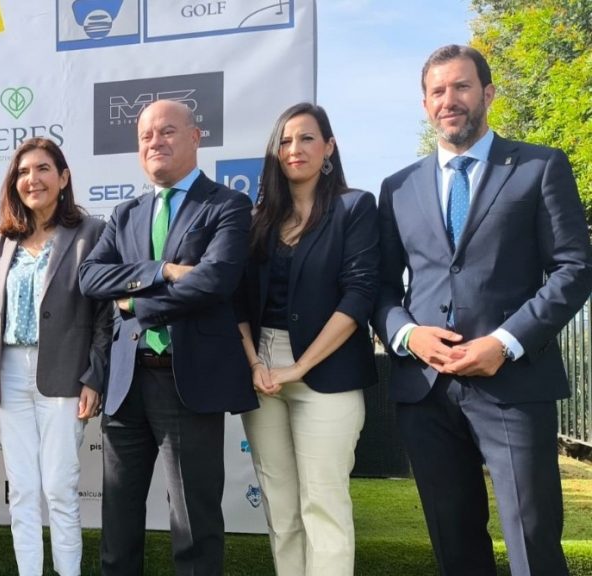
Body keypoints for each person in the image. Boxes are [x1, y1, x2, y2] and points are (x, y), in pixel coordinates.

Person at [374, 44, 592, 576]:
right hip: (426, 391)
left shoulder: (539, 166)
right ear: (425, 104)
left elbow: (574, 269)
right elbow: (379, 287)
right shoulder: (397, 187)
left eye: (462, 87)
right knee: (454, 546)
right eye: (437, 91)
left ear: (488, 93)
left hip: (514, 384)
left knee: (533, 541)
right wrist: (408, 336)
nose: (449, 100)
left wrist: (504, 342)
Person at [78, 99, 256, 575]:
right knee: (117, 523)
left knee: (193, 524)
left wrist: (134, 304)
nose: (155, 142)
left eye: (167, 131)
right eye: (145, 136)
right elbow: (90, 277)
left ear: (195, 137)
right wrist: (163, 271)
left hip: (187, 384)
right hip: (126, 383)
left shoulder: (227, 205)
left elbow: (213, 283)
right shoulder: (125, 214)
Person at [236, 102, 378, 576]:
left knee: (324, 506)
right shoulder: (257, 220)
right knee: (281, 510)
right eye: (285, 141)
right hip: (263, 372)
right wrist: (255, 362)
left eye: (307, 138)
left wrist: (299, 366)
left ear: (329, 147)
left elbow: (359, 295)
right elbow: (237, 303)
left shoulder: (354, 208)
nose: (294, 149)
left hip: (327, 371)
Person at [0, 138, 111, 576]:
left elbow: (105, 314)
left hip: (66, 375)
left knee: (59, 489)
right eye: (23, 172)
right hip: (9, 375)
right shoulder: (1, 240)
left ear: (64, 177)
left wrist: (94, 376)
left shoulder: (91, 233)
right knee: (23, 491)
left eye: (43, 169)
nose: (32, 179)